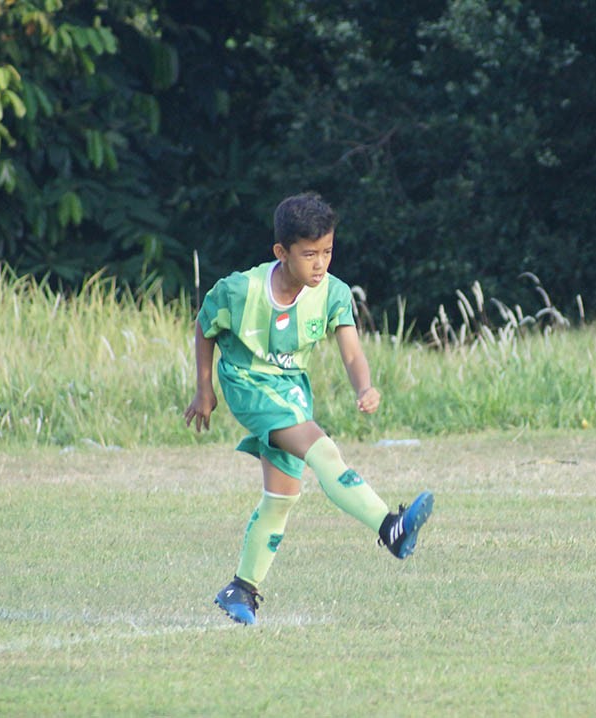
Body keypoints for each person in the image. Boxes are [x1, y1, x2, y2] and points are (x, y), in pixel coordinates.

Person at [184, 191, 433, 626]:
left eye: (328, 252)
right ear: (281, 252)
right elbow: (205, 325)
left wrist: (365, 386)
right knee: (324, 451)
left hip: (290, 391)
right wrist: (204, 389)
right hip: (247, 384)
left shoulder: (333, 293)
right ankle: (389, 528)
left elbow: (352, 352)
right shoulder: (241, 290)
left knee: (282, 498)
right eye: (309, 254)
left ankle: (240, 588)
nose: (320, 264)